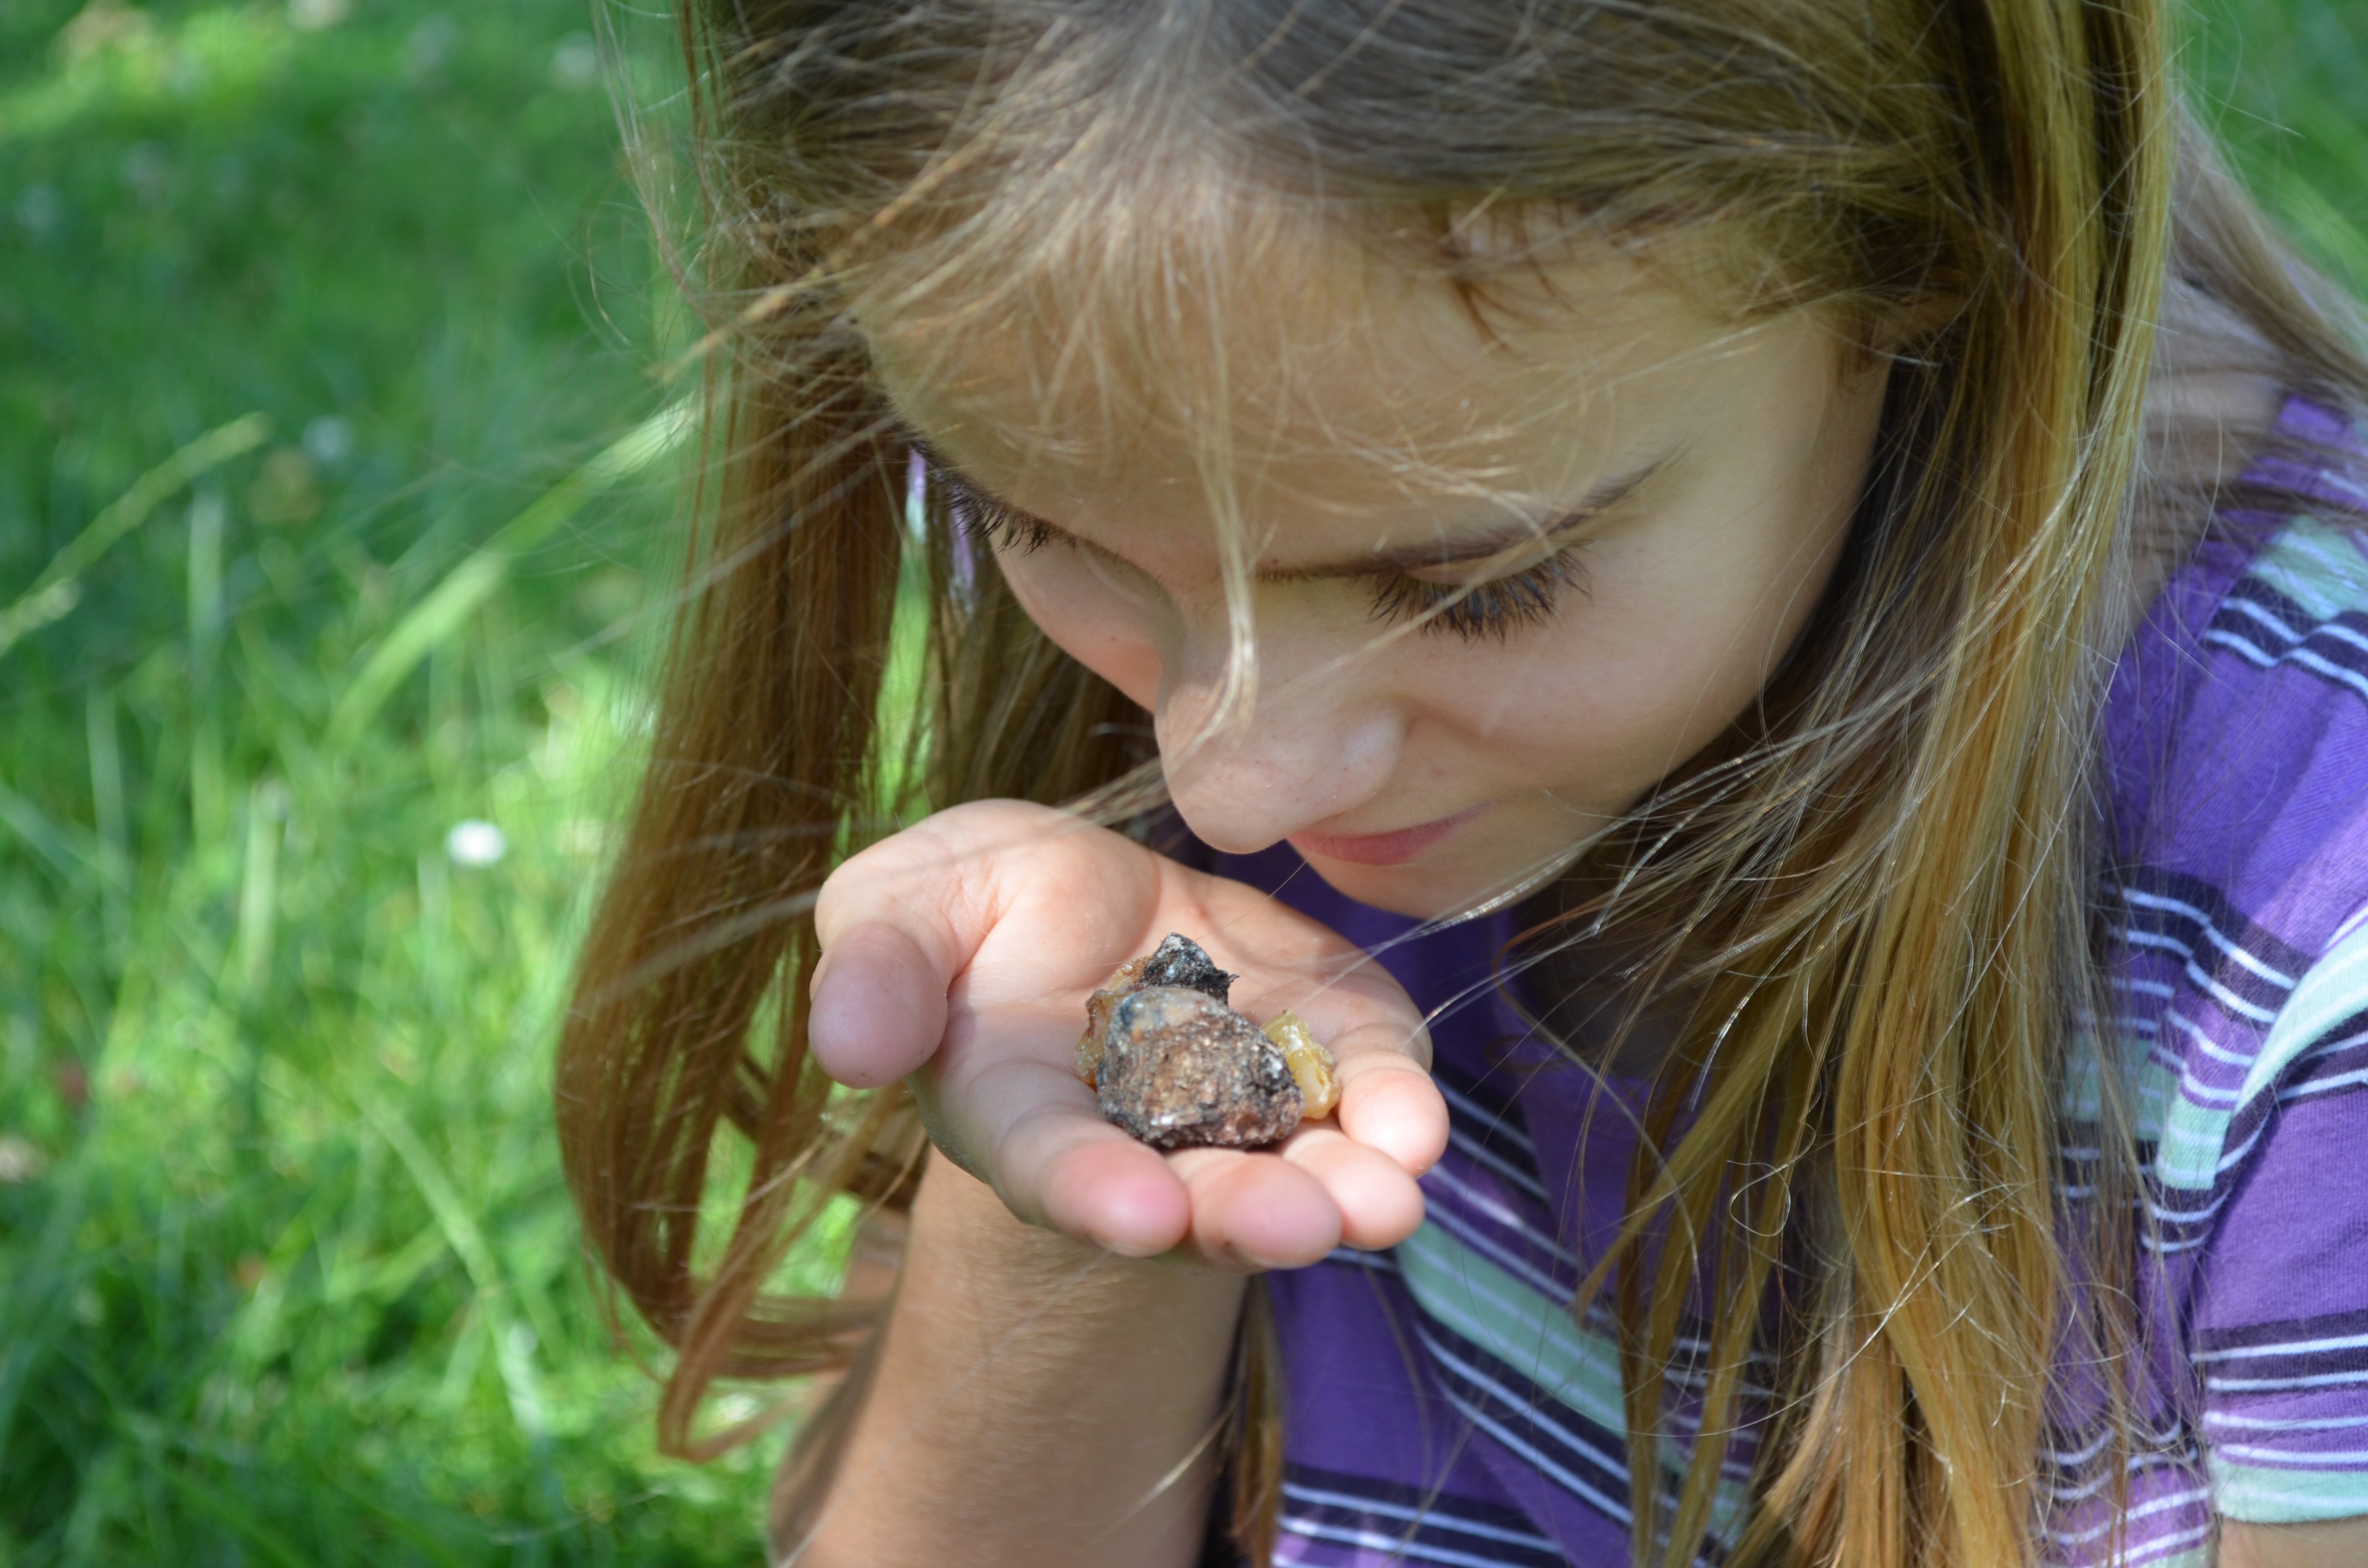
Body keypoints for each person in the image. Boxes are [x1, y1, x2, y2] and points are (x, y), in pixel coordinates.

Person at [553, 1, 2368, 1564]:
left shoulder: (2310, 953)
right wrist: (1085, 1229)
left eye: (1475, 585)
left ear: (1923, 243)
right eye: (1037, 524)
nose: (1230, 777)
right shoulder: (1202, 486)